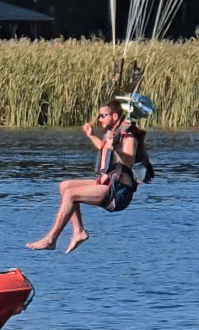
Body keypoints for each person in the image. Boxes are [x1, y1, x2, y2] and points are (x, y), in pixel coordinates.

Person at [27, 99, 139, 253]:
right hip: (106, 184)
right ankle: (79, 231)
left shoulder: (128, 136)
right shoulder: (111, 133)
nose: (99, 119)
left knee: (71, 194)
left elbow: (129, 160)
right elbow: (104, 149)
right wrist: (91, 136)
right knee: (65, 186)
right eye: (99, 116)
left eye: (103, 116)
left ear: (114, 116)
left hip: (119, 192)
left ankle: (50, 239)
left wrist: (117, 149)